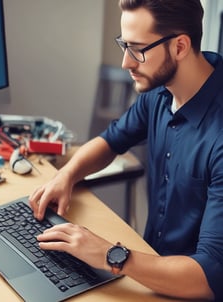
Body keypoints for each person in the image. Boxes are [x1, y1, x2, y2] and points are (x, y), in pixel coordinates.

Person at [29, 0, 223, 300]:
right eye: (124, 45)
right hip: (149, 273)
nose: (126, 63)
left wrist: (109, 254)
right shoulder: (161, 90)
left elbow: (208, 276)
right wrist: (66, 175)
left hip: (188, 289)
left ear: (180, 47)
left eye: (138, 49)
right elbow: (111, 140)